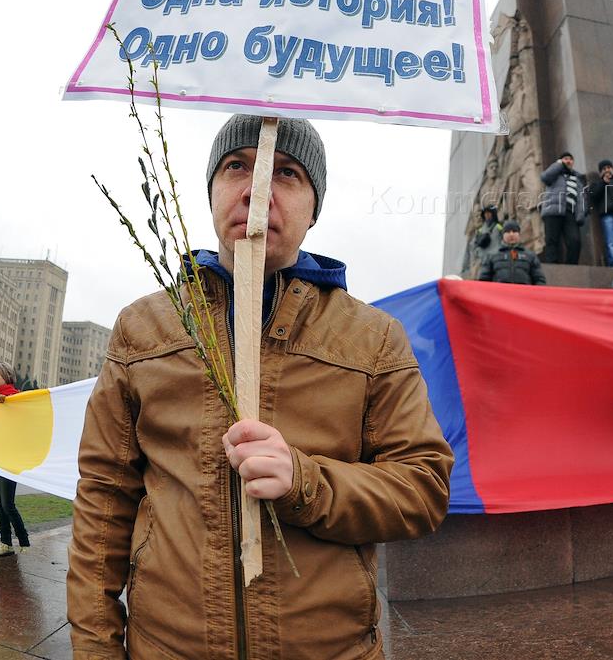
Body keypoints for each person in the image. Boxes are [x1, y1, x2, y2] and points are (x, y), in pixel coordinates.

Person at [68, 115, 453, 660]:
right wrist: (96, 650)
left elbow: (423, 488)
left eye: (287, 172)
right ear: (211, 191)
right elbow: (104, 503)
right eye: (236, 166)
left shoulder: (372, 340)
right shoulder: (144, 328)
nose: (256, 188)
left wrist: (306, 481)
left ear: (314, 207)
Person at [0, 362, 31, 557]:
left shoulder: (16, 398)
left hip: (9, 460)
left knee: (7, 504)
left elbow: (23, 422)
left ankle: (24, 541)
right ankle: (6, 544)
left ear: (6, 376)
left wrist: (9, 405)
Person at [539, 151, 586, 264]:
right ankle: (553, 266)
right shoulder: (555, 173)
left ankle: (571, 267)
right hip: (554, 210)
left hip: (571, 213)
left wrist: (582, 212)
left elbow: (582, 197)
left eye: (570, 159)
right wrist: (558, 165)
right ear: (560, 161)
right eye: (565, 159)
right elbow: (545, 177)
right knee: (552, 240)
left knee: (575, 241)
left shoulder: (578, 177)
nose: (568, 161)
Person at [479, 221, 547, 285]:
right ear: (503, 235)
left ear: (519, 234)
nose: (511, 234)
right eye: (508, 232)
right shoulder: (492, 255)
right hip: (499, 295)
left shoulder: (530, 256)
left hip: (522, 295)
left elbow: (539, 280)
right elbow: (484, 279)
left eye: (514, 231)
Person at [463, 204, 504, 277]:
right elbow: (473, 245)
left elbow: (505, 241)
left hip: (496, 260)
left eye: (489, 213)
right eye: (485, 214)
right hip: (482, 261)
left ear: (493, 214)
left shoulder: (499, 227)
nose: (487, 216)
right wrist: (477, 253)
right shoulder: (480, 230)